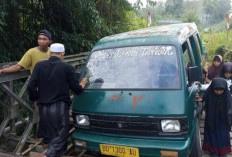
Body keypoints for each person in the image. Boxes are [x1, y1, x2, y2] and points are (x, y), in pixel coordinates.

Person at [27, 43, 87, 157]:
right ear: (62, 54)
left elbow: (30, 86)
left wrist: (35, 98)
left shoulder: (39, 66)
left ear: (49, 53)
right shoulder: (68, 68)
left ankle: (49, 152)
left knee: (49, 136)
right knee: (60, 136)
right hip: (59, 108)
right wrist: (82, 85)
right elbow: (77, 89)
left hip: (43, 108)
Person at [196, 78, 232, 156]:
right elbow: (204, 98)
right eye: (216, 90)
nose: (219, 92)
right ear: (212, 88)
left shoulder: (227, 96)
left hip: (223, 120)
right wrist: (200, 99)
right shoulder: (210, 93)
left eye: (221, 90)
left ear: (224, 89)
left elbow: (229, 109)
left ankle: (222, 150)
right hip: (211, 118)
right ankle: (213, 150)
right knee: (211, 133)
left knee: (222, 134)